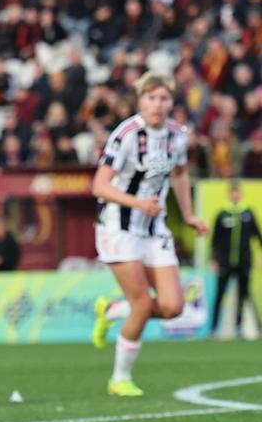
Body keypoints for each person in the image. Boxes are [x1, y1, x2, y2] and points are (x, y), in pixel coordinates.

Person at [90, 72, 209, 397]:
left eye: (164, 98)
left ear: (172, 101)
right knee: (142, 304)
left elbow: (181, 174)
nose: (158, 104)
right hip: (119, 226)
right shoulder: (126, 134)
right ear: (140, 100)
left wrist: (188, 216)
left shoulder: (177, 136)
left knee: (173, 307)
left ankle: (114, 310)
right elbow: (99, 186)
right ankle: (119, 379)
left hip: (154, 228)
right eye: (151, 97)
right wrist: (137, 202)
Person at [210, 181, 262, 337]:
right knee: (220, 295)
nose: (235, 194)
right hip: (225, 262)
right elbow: (215, 240)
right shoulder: (222, 214)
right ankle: (213, 329)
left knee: (243, 295)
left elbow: (258, 237)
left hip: (244, 262)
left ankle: (239, 327)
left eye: (237, 192)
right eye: (232, 192)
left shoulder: (248, 213)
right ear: (229, 193)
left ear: (240, 193)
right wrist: (213, 259)